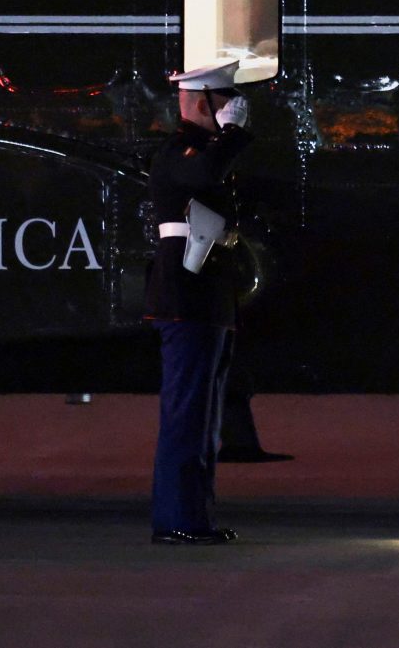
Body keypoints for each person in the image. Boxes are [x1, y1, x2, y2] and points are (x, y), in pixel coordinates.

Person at [144, 58, 252, 545]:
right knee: (187, 414)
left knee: (205, 416)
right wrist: (232, 136)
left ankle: (194, 515)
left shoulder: (202, 149)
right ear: (203, 103)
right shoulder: (180, 149)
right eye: (225, 99)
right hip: (186, 297)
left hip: (206, 298)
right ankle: (177, 518)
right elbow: (205, 174)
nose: (233, 107)